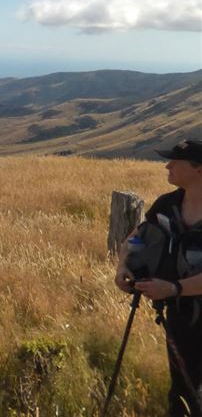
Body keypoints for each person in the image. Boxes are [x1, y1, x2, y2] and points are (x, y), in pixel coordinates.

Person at [114, 139, 202, 416]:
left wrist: (174, 288)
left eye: (176, 162)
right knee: (181, 392)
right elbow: (136, 236)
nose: (168, 165)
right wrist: (123, 267)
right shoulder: (167, 203)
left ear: (199, 169)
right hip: (180, 315)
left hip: (180, 301)